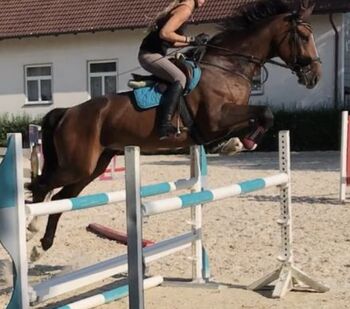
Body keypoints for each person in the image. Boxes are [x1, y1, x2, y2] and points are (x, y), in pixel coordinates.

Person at [138, 0, 208, 140]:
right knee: (180, 78)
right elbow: (164, 33)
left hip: (153, 54)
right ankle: (163, 125)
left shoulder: (183, 8)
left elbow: (172, 40)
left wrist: (193, 42)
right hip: (150, 56)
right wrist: (191, 39)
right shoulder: (185, 10)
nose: (204, 1)